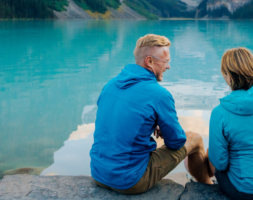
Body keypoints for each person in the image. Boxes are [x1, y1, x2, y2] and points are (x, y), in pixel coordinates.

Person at [90, 34, 212, 195]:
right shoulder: (159, 95)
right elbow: (176, 143)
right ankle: (208, 186)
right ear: (149, 61)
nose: (168, 67)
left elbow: (117, 122)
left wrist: (152, 122)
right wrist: (165, 128)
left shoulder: (109, 85)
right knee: (194, 139)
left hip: (98, 173)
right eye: (166, 61)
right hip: (130, 181)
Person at [193, 47, 253, 200]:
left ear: (228, 76)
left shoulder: (220, 112)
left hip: (245, 191)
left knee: (211, 152)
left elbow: (220, 163)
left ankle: (206, 184)